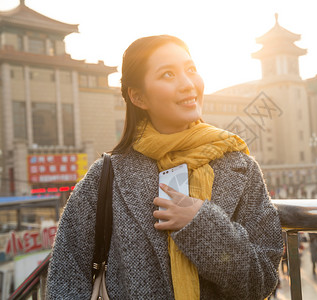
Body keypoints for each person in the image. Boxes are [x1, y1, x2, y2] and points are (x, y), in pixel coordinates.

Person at [46, 35, 283, 299]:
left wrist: (201, 224)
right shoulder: (106, 177)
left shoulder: (240, 168)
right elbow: (65, 280)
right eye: (168, 74)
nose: (187, 83)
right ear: (138, 97)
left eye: (190, 69)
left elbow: (262, 281)